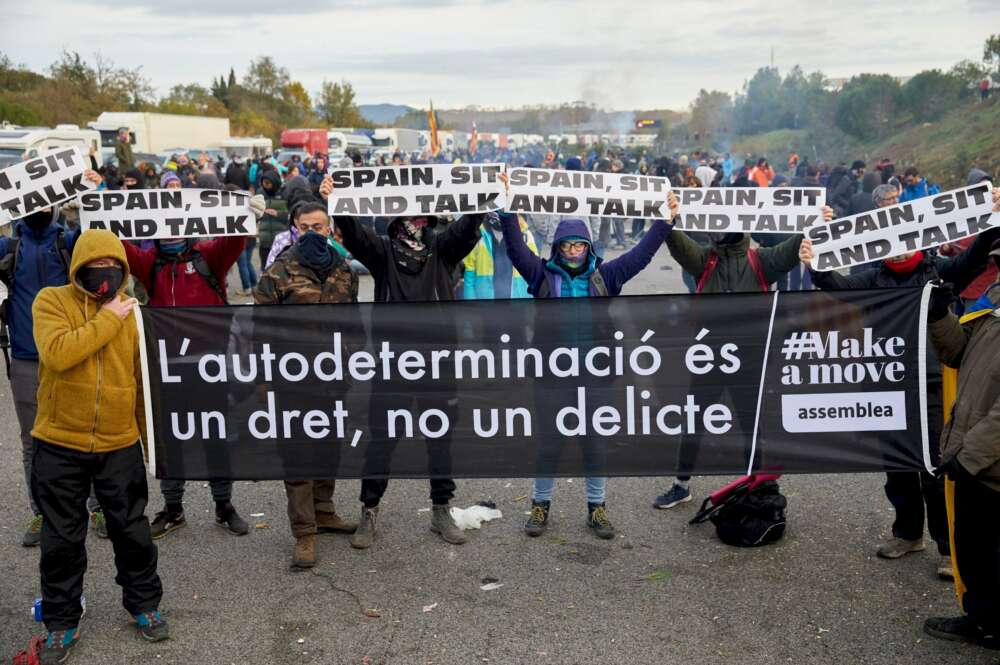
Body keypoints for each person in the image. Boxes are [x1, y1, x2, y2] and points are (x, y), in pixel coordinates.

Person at [799, 185, 1000, 579]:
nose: (898, 250)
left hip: (930, 382)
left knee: (933, 467)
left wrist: (992, 219)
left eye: (905, 241)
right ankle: (907, 534)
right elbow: (832, 284)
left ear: (919, 239)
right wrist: (815, 257)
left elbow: (977, 258)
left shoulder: (940, 272)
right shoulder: (871, 279)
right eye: (889, 243)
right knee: (896, 465)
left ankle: (947, 547)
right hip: (886, 383)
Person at [500, 185, 679, 539]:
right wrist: (507, 210)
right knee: (549, 441)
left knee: (594, 442)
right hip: (551, 377)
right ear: (557, 247)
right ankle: (540, 505)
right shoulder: (541, 275)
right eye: (566, 246)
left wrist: (665, 222)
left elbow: (641, 255)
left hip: (596, 377)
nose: (572, 252)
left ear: (588, 247)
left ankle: (597, 508)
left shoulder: (605, 276)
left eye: (579, 245)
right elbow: (516, 249)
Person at [320, 173, 487, 548]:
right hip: (392, 364)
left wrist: (484, 199)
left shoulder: (442, 249)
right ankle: (369, 510)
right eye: (409, 216)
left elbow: (466, 230)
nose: (416, 222)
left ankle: (441, 510)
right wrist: (337, 201)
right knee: (381, 439)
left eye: (421, 216)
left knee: (440, 438)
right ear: (396, 219)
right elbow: (354, 234)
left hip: (438, 363)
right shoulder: (382, 252)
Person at [29, 229, 168, 662]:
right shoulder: (51, 301)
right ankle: (61, 621)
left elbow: (142, 382)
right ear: (78, 267)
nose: (103, 272)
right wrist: (108, 318)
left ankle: (144, 604)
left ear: (123, 269)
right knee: (61, 539)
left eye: (112, 265)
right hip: (58, 441)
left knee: (132, 531)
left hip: (118, 443)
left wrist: (150, 445)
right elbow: (58, 354)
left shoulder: (134, 312)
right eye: (94, 265)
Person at [655, 204, 833, 508]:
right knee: (694, 419)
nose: (716, 233)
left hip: (749, 360)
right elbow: (678, 243)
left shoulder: (760, 260)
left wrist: (817, 221)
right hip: (709, 359)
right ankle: (681, 484)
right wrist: (665, 219)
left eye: (722, 226)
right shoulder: (705, 259)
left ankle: (756, 484)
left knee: (750, 423)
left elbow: (794, 246)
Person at [120, 173, 261, 540]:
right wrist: (102, 208)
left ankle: (223, 505)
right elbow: (116, 244)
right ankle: (173, 508)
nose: (170, 231)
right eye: (163, 224)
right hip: (168, 367)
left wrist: (243, 208)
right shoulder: (150, 262)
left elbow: (234, 239)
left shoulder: (208, 256)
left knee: (216, 436)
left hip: (210, 366)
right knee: (171, 440)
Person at [254, 199, 360, 569]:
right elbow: (260, 331)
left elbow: (354, 324)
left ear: (330, 229)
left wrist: (355, 360)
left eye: (319, 226)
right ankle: (304, 531)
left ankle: (324, 510)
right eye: (306, 227)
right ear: (295, 229)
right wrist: (264, 377)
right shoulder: (278, 272)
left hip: (334, 379)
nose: (313, 233)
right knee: (298, 455)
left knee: (329, 448)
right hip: (293, 381)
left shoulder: (344, 271)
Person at [0, 170, 102, 547]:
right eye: (32, 197)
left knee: (86, 432)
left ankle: (96, 506)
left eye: (46, 197)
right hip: (27, 358)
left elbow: (103, 237)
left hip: (73, 353)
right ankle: (42, 511)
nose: (39, 205)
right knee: (33, 441)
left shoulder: (70, 240)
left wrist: (94, 192)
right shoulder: (9, 246)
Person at [922, 188, 1000, 649]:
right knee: (973, 550)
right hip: (977, 462)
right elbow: (959, 354)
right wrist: (938, 315)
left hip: (987, 465)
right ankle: (983, 620)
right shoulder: (993, 307)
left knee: (989, 552)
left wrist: (968, 457)